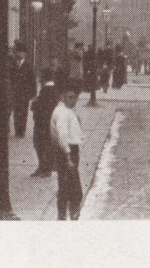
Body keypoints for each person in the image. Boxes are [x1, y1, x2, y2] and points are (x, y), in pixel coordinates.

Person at [51, 86, 85, 220]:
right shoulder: (62, 113)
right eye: (70, 97)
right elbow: (62, 136)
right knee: (72, 185)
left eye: (75, 97)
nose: (74, 100)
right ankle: (70, 211)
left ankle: (65, 212)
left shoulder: (65, 110)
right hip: (67, 151)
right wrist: (68, 157)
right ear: (62, 97)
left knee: (66, 183)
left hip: (68, 150)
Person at [30, 79, 59, 177]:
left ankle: (46, 168)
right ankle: (43, 167)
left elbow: (37, 106)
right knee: (40, 145)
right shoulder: (48, 90)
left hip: (44, 123)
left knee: (43, 145)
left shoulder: (49, 89)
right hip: (41, 123)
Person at [9, 41, 37, 138]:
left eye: (20, 52)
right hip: (13, 93)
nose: (17, 54)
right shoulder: (11, 64)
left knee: (23, 111)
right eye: (16, 52)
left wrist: (33, 94)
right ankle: (17, 130)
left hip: (24, 93)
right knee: (16, 111)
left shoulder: (28, 65)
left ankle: (21, 131)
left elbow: (32, 80)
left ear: (24, 53)